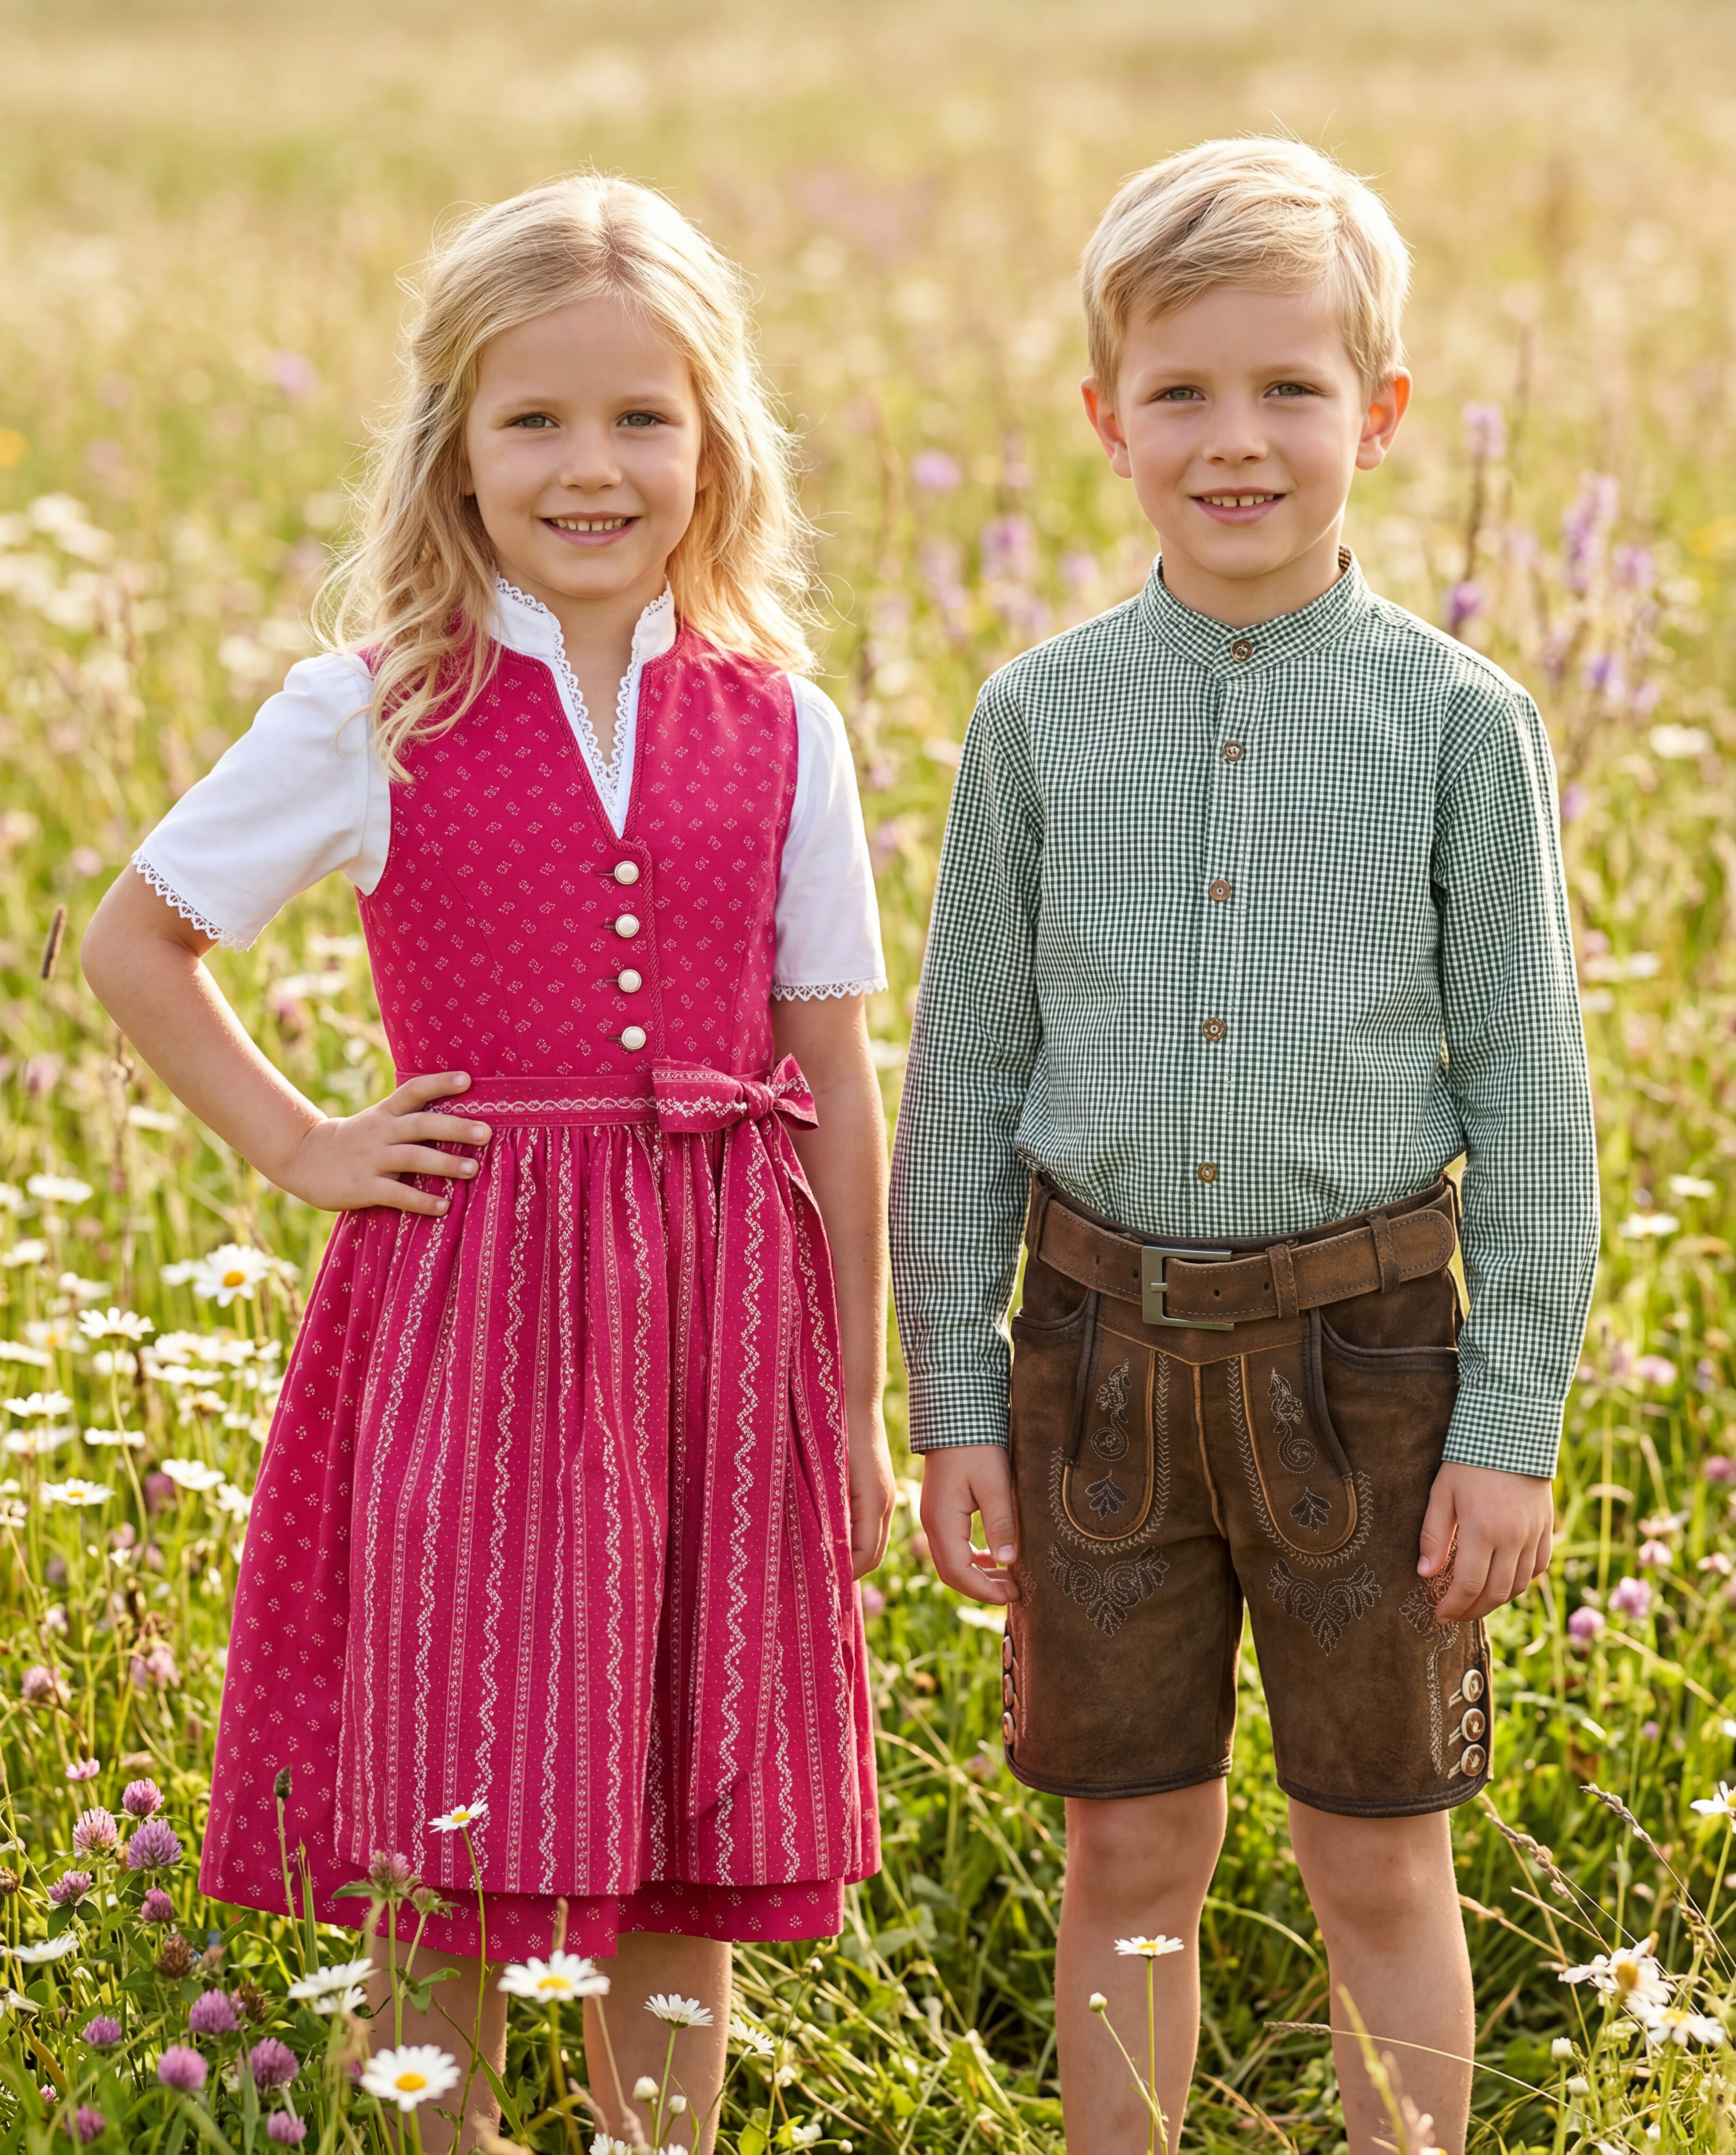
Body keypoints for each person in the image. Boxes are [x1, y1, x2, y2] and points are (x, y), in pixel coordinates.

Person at [83, 174, 894, 2155]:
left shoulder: (783, 724)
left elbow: (839, 1077)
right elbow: (135, 939)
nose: (590, 466)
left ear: (715, 444)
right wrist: (296, 1142)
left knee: (676, 1823)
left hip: (721, 1310)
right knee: (460, 1791)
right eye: (534, 420)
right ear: (451, 442)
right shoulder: (372, 706)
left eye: (640, 419)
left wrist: (857, 1408)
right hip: (470, 1304)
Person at [889, 137, 1597, 2154]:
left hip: (1371, 1369)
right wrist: (955, 1404)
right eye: (1182, 392)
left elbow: (1534, 1094)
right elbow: (967, 1079)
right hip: (1096, 1363)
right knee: (1125, 1852)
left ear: (1377, 415)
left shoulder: (1462, 726)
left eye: (1289, 389)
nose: (1237, 440)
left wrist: (1511, 1419)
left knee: (1377, 1857)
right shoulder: (1038, 722)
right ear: (1105, 419)